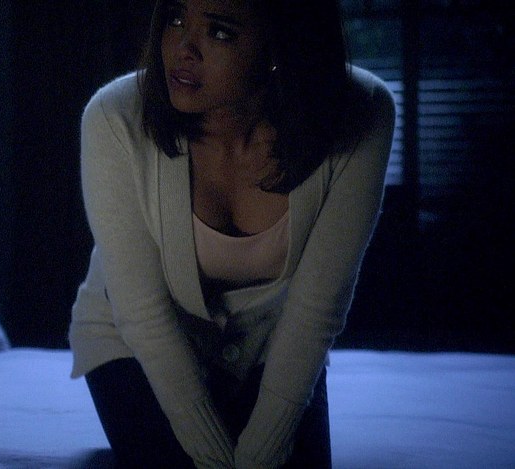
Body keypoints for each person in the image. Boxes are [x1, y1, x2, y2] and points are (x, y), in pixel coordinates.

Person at [68, 0, 395, 467]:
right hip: (134, 341)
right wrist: (214, 458)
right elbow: (142, 313)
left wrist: (263, 450)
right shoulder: (114, 118)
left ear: (279, 45)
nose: (182, 48)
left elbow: (317, 309)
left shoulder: (362, 113)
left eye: (219, 32)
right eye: (176, 19)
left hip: (271, 344)